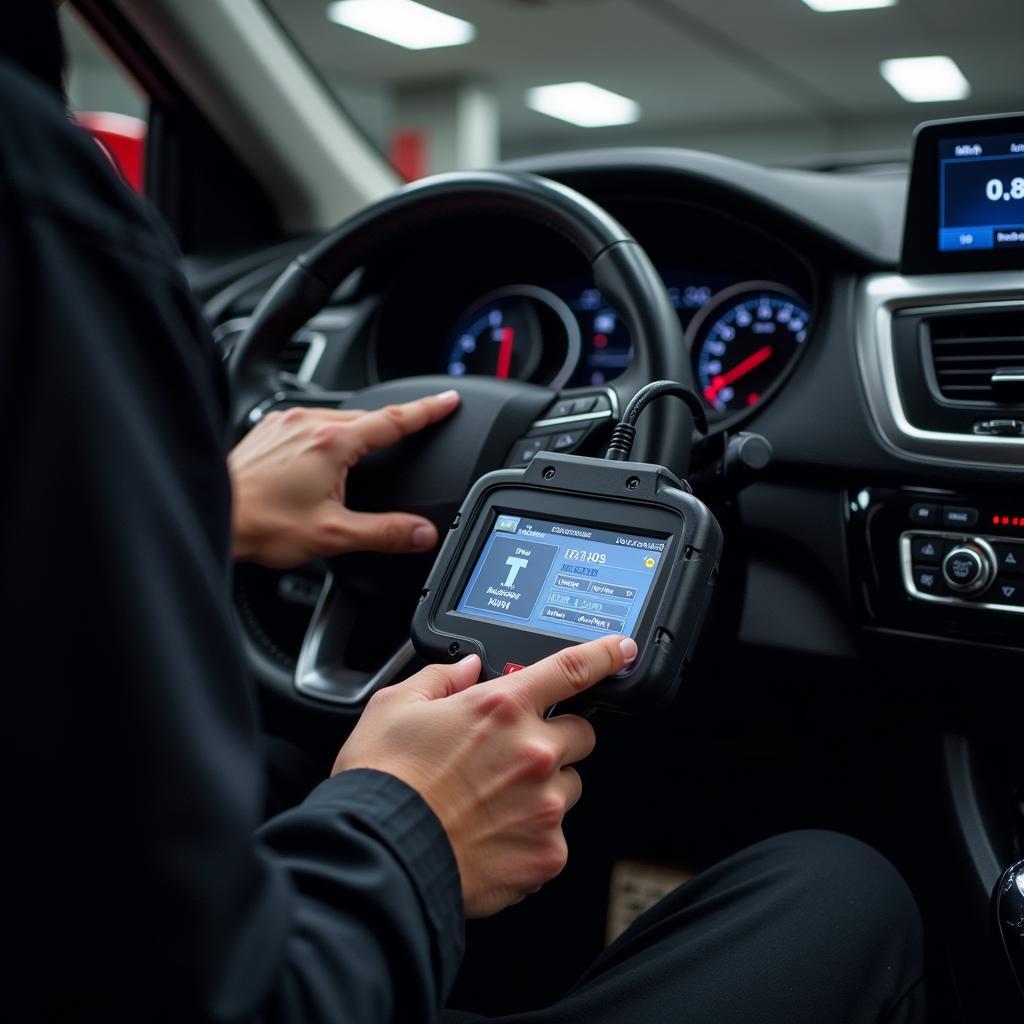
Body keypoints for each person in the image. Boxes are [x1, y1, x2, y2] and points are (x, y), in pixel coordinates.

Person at [1, 5, 925, 1021]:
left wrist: (200, 512)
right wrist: (418, 832)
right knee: (843, 886)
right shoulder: (38, 198)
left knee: (290, 759)